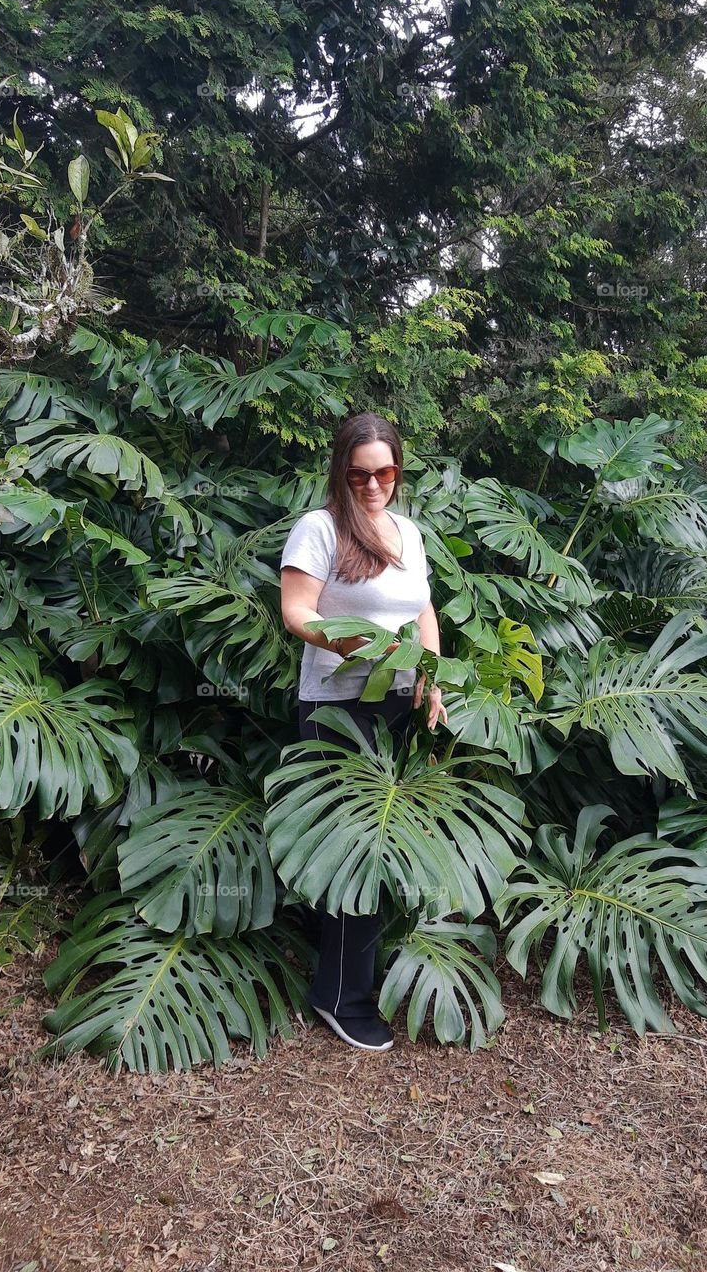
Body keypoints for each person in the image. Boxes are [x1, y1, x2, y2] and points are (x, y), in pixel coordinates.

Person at [278, 412, 447, 1052]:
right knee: (352, 848)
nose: (372, 485)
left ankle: (345, 983)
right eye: (358, 474)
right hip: (337, 709)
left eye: (383, 472)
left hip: (397, 704)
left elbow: (423, 609)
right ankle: (339, 997)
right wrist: (341, 639)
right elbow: (295, 610)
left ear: (398, 470)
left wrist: (431, 676)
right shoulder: (318, 529)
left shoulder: (408, 532)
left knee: (382, 843)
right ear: (340, 473)